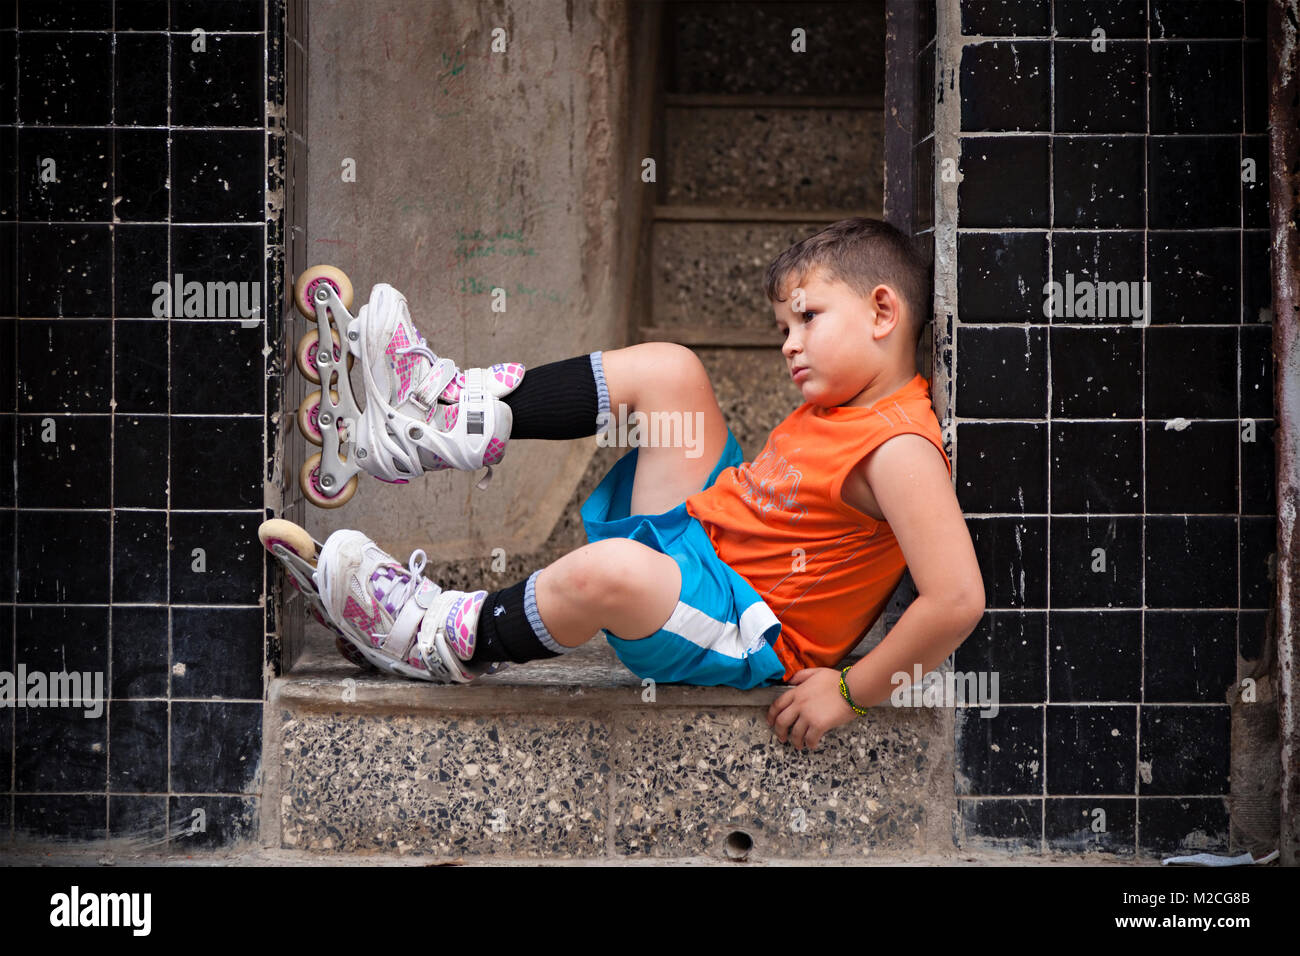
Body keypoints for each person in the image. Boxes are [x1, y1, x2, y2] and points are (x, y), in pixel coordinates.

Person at [287, 217, 985, 752]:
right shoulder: (841, 403)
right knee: (670, 370)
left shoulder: (899, 448)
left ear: (884, 313)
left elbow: (955, 599)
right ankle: (433, 414)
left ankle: (441, 635)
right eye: (782, 327)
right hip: (700, 539)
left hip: (739, 623)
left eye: (807, 318)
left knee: (606, 572)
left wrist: (851, 692)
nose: (788, 344)